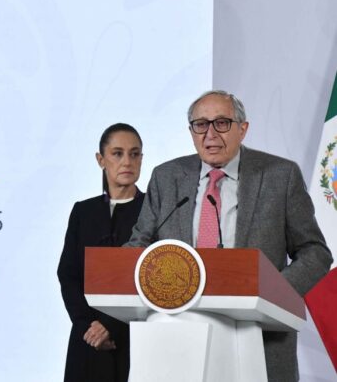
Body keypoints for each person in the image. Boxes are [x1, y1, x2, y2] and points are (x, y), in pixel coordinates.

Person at [126, 90, 333, 382]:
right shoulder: (166, 177)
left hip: (257, 336)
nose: (210, 134)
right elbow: (139, 245)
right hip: (178, 338)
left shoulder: (280, 175)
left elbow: (315, 251)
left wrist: (274, 291)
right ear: (191, 131)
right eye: (201, 125)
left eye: (221, 123)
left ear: (242, 129)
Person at [57, 123, 144, 382]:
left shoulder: (153, 211)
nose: (127, 161)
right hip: (88, 339)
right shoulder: (83, 212)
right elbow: (68, 274)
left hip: (133, 339)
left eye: (134, 154)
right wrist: (87, 325)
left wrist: (112, 325)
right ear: (100, 159)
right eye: (117, 153)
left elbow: (150, 279)